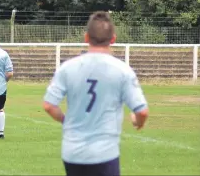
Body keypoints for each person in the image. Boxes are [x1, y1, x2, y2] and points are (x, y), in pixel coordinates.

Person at [43, 11, 149, 176]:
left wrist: (66, 120)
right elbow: (141, 111)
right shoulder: (122, 71)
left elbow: (49, 105)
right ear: (113, 39)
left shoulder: (67, 68)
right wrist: (138, 122)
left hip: (73, 152)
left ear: (86, 37)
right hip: (105, 153)